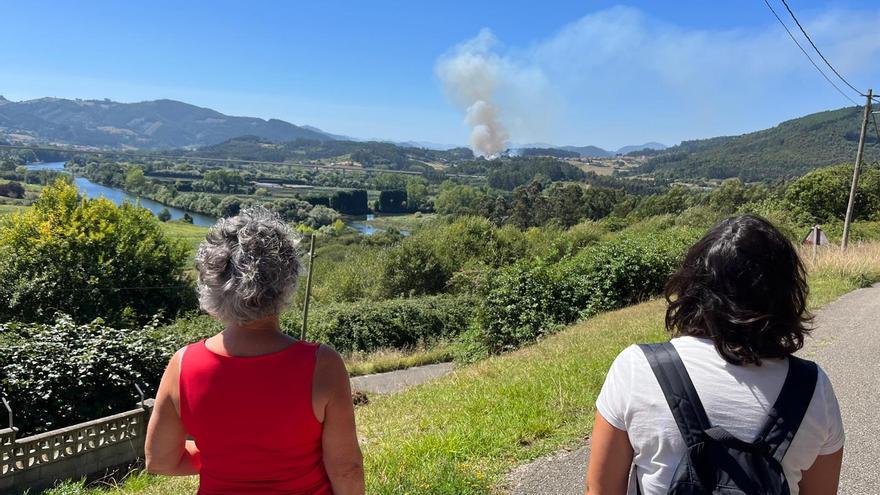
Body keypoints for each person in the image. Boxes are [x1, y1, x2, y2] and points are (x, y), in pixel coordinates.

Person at [585, 215, 844, 495]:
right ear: (785, 296)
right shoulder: (812, 387)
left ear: (693, 286)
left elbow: (600, 489)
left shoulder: (637, 369)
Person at [145, 206, 365, 495]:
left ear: (212, 285)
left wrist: (219, 457)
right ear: (286, 281)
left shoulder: (183, 364)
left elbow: (160, 461)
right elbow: (346, 469)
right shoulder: (323, 365)